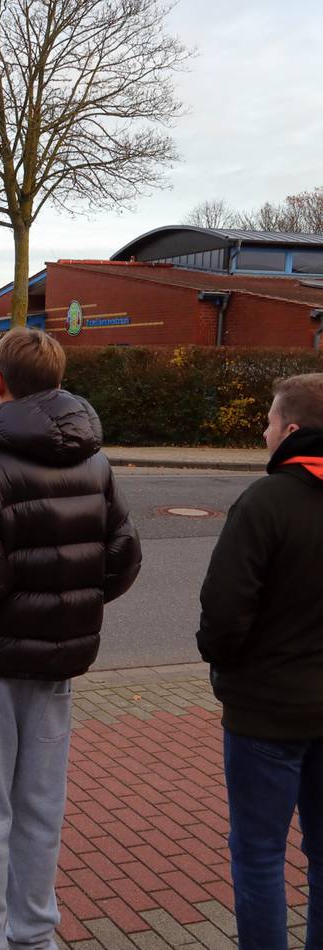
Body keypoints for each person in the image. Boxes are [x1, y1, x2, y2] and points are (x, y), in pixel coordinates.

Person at [0, 327, 141, 950]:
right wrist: (65, 609)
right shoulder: (95, 462)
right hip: (55, 669)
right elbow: (122, 559)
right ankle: (34, 937)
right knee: (39, 809)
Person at [197, 373, 323, 950]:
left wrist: (225, 673)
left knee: (259, 857)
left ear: (291, 431)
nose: (264, 430)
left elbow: (224, 613)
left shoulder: (265, 502)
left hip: (266, 714)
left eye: (269, 421)